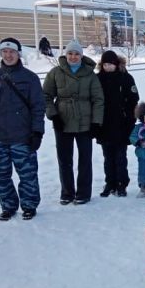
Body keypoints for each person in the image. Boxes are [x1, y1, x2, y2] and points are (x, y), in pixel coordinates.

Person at [0, 37, 45, 221]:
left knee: (27, 175)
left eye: (12, 51)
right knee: (1, 176)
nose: (8, 55)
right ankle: (8, 206)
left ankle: (29, 206)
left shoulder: (30, 78)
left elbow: (38, 107)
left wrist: (38, 132)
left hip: (22, 137)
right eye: (4, 51)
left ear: (18, 53)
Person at [43, 39, 104, 205]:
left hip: (85, 121)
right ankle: (67, 192)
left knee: (85, 158)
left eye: (77, 53)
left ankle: (83, 192)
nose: (73, 57)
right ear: (65, 54)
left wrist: (96, 122)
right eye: (70, 53)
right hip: (63, 119)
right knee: (64, 159)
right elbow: (46, 96)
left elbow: (98, 99)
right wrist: (53, 115)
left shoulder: (90, 74)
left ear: (81, 55)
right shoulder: (55, 72)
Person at [96, 50, 139, 197]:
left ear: (116, 64)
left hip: (121, 124)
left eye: (111, 64)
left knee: (120, 156)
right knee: (108, 157)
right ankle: (110, 182)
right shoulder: (98, 79)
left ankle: (121, 183)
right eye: (105, 64)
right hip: (104, 125)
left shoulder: (126, 78)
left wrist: (130, 119)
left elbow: (134, 99)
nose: (108, 67)